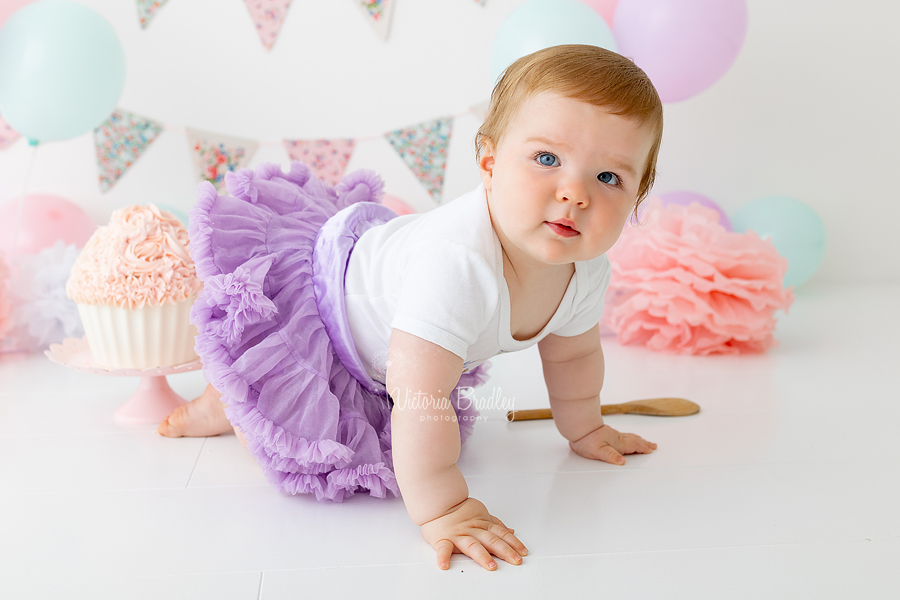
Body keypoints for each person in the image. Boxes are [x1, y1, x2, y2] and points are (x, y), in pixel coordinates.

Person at [158, 44, 663, 572]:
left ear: (636, 199)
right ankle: (228, 399)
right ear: (490, 163)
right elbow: (420, 393)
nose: (574, 194)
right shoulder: (458, 265)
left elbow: (574, 358)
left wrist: (583, 428)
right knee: (288, 401)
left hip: (402, 336)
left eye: (609, 178)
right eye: (546, 159)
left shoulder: (587, 270)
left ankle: (231, 400)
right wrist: (445, 506)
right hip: (335, 306)